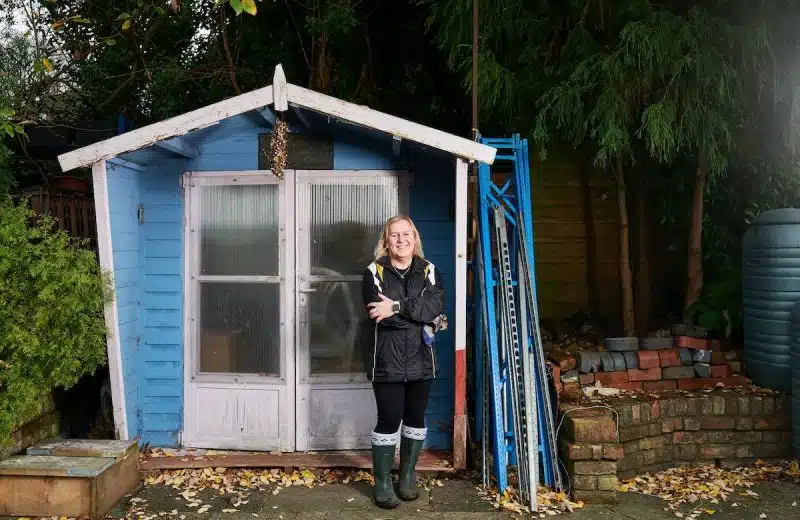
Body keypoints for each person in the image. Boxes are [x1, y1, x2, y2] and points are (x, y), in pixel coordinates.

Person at [361, 215, 446, 509]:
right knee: (389, 419)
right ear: (386, 240)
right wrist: (417, 315)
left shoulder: (429, 270)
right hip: (387, 361)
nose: (401, 240)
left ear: (415, 237)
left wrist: (396, 307)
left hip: (421, 360)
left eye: (406, 234)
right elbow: (379, 316)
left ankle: (407, 476)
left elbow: (434, 307)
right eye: (395, 235)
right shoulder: (374, 271)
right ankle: (383, 483)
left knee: (415, 419)